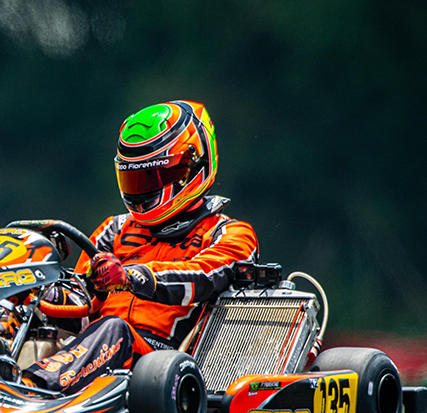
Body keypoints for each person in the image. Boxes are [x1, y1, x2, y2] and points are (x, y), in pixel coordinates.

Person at [22, 100, 258, 394]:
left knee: (114, 328)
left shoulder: (230, 233)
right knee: (16, 312)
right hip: (94, 348)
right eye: (133, 178)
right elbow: (82, 302)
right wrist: (41, 290)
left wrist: (130, 276)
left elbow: (201, 276)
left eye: (152, 177)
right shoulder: (115, 229)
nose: (141, 191)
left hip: (160, 364)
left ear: (192, 166)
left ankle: (31, 391)